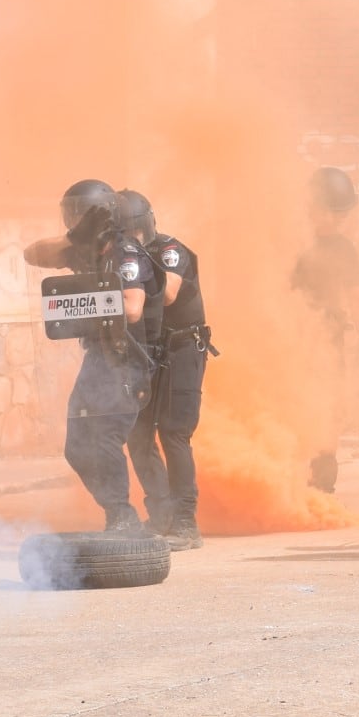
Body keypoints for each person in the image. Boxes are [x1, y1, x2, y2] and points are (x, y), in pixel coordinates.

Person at [24, 180, 155, 532]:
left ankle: (122, 516)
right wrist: (74, 239)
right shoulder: (83, 250)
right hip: (98, 359)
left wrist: (86, 302)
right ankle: (118, 512)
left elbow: (132, 309)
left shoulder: (125, 253)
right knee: (77, 446)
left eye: (81, 213)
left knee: (107, 436)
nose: (74, 218)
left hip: (128, 360)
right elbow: (32, 254)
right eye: (72, 213)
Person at [119, 190, 211, 551]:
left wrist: (132, 274)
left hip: (182, 349)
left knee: (174, 433)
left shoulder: (168, 250)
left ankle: (186, 525)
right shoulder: (118, 258)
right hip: (148, 352)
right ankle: (161, 515)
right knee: (138, 433)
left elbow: (169, 294)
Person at [291, 166, 359, 493]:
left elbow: (358, 298)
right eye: (335, 213)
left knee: (328, 413)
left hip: (328, 343)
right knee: (291, 411)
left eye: (344, 214)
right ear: (313, 205)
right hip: (290, 342)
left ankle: (321, 489)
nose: (340, 221)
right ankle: (280, 483)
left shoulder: (343, 249)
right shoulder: (290, 244)